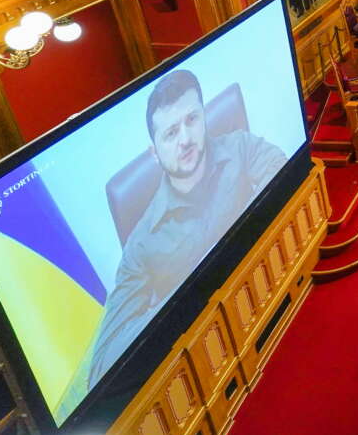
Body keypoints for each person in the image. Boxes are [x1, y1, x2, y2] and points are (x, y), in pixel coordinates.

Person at [85, 70, 288, 385]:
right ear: (155, 152)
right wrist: (181, 298)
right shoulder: (141, 244)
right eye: (170, 133)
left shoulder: (240, 146)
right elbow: (102, 366)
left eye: (192, 120)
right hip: (213, 356)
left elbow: (283, 172)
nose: (185, 140)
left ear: (204, 118)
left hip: (272, 289)